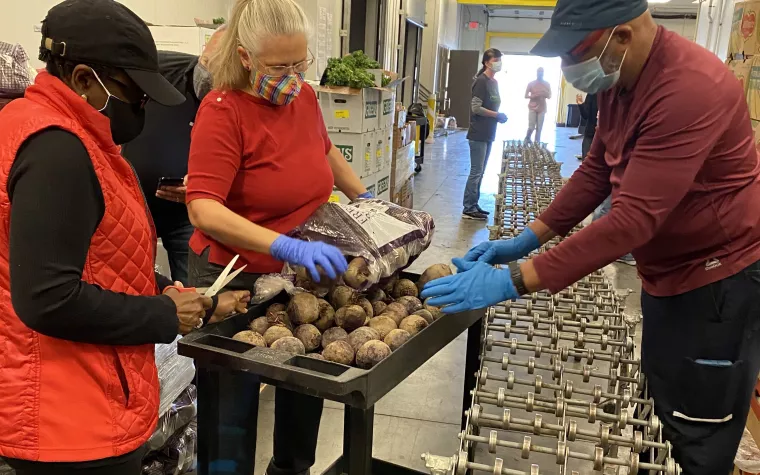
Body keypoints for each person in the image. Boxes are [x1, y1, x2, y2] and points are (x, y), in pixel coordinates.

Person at [422, 1, 760, 474]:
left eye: (575, 52)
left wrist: (516, 280)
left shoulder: (688, 89)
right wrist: (529, 237)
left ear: (621, 36)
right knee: (660, 406)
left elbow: (631, 222)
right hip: (666, 274)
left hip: (716, 284)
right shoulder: (624, 82)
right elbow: (598, 169)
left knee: (695, 426)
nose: (568, 67)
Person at [0, 1, 250, 474]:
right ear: (82, 79)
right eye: (133, 92)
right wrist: (162, 314)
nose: (142, 106)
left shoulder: (52, 131)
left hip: (73, 404)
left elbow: (88, 260)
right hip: (70, 419)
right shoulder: (57, 152)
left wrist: (158, 288)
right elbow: (48, 299)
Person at [184, 0, 371, 473]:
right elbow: (203, 207)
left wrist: (368, 202)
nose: (291, 75)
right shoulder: (223, 111)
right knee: (232, 411)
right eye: (278, 66)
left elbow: (324, 150)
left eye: (300, 63)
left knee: (304, 387)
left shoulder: (303, 97)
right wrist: (281, 243)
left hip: (302, 273)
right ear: (246, 57)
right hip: (236, 279)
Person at [122, 25, 227, 285]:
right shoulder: (162, 67)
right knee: (133, 286)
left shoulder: (236, 102)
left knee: (193, 293)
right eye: (205, 61)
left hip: (187, 215)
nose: (206, 72)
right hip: (132, 205)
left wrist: (203, 189)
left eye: (218, 69)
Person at [463, 48, 507, 221]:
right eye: (496, 59)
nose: (499, 62)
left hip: (489, 131)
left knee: (481, 172)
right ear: (487, 62)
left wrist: (498, 116)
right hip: (478, 132)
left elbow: (492, 105)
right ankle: (468, 207)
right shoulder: (481, 81)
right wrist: (496, 115)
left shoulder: (493, 82)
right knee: (476, 171)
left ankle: (474, 204)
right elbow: (476, 108)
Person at [525, 67, 551, 144]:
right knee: (531, 127)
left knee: (539, 128)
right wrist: (532, 96)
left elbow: (549, 96)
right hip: (532, 107)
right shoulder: (531, 84)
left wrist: (545, 93)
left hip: (542, 107)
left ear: (543, 73)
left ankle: (537, 143)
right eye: (539, 72)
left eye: (541, 72)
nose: (540, 73)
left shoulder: (547, 84)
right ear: (536, 73)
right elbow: (525, 95)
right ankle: (527, 138)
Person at [576, 92, 597, 160]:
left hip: (605, 135)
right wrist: (581, 104)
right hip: (590, 133)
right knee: (585, 159)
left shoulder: (612, 94)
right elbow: (585, 115)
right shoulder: (592, 93)